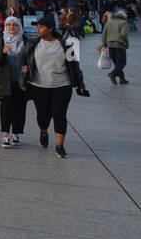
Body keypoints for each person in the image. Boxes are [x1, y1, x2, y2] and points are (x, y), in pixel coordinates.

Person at [21, 13, 90, 158]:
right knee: (43, 116)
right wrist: (24, 71)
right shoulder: (32, 44)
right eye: (37, 27)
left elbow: (75, 67)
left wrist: (80, 85)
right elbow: (24, 62)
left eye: (41, 27)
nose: (38, 29)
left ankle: (60, 146)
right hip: (38, 85)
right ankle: (43, 131)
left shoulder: (67, 45)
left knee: (59, 115)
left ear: (50, 28)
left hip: (62, 86)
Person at [0, 16, 29, 147]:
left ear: (19, 27)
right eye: (9, 24)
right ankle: (5, 136)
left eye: (14, 25)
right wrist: (3, 53)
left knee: (20, 107)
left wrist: (28, 67)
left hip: (21, 80)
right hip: (4, 79)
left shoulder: (25, 41)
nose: (11, 27)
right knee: (6, 107)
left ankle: (16, 133)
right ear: (5, 26)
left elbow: (32, 58)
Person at [100, 9, 131, 85]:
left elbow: (104, 34)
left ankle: (122, 79)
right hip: (120, 44)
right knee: (122, 62)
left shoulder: (109, 22)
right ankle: (113, 74)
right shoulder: (124, 23)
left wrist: (104, 44)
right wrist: (126, 44)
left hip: (110, 44)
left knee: (117, 63)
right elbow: (123, 34)